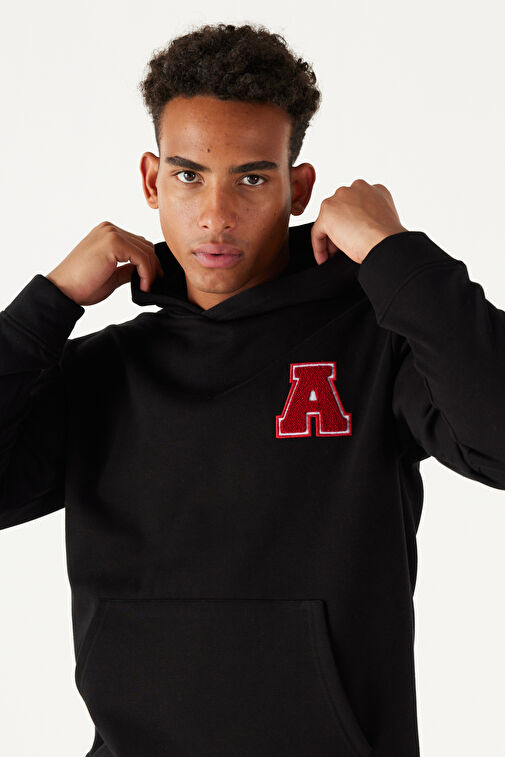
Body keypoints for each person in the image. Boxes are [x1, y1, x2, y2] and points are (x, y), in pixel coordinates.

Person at [1, 21, 504, 757]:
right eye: (188, 176)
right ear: (151, 180)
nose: (216, 215)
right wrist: (46, 304)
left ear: (298, 189)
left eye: (252, 178)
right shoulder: (102, 372)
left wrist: (393, 254)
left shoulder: (379, 343)